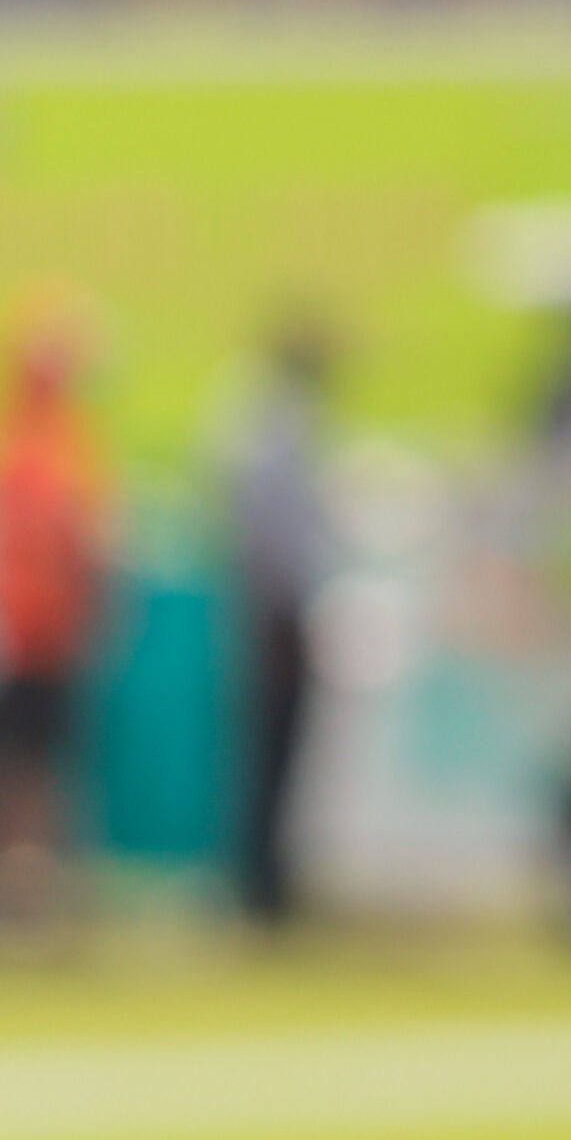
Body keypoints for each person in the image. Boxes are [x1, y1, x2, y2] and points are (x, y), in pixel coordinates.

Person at [0, 309, 105, 918]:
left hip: (27, 628)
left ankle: (12, 888)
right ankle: (13, 891)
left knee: (20, 765)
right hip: (32, 632)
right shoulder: (39, 446)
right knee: (25, 769)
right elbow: (70, 540)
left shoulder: (8, 438)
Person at [231, 316, 334, 924]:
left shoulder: (266, 425)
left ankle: (267, 879)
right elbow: (274, 540)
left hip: (273, 609)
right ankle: (262, 885)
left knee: (274, 753)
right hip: (275, 612)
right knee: (273, 751)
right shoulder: (280, 431)